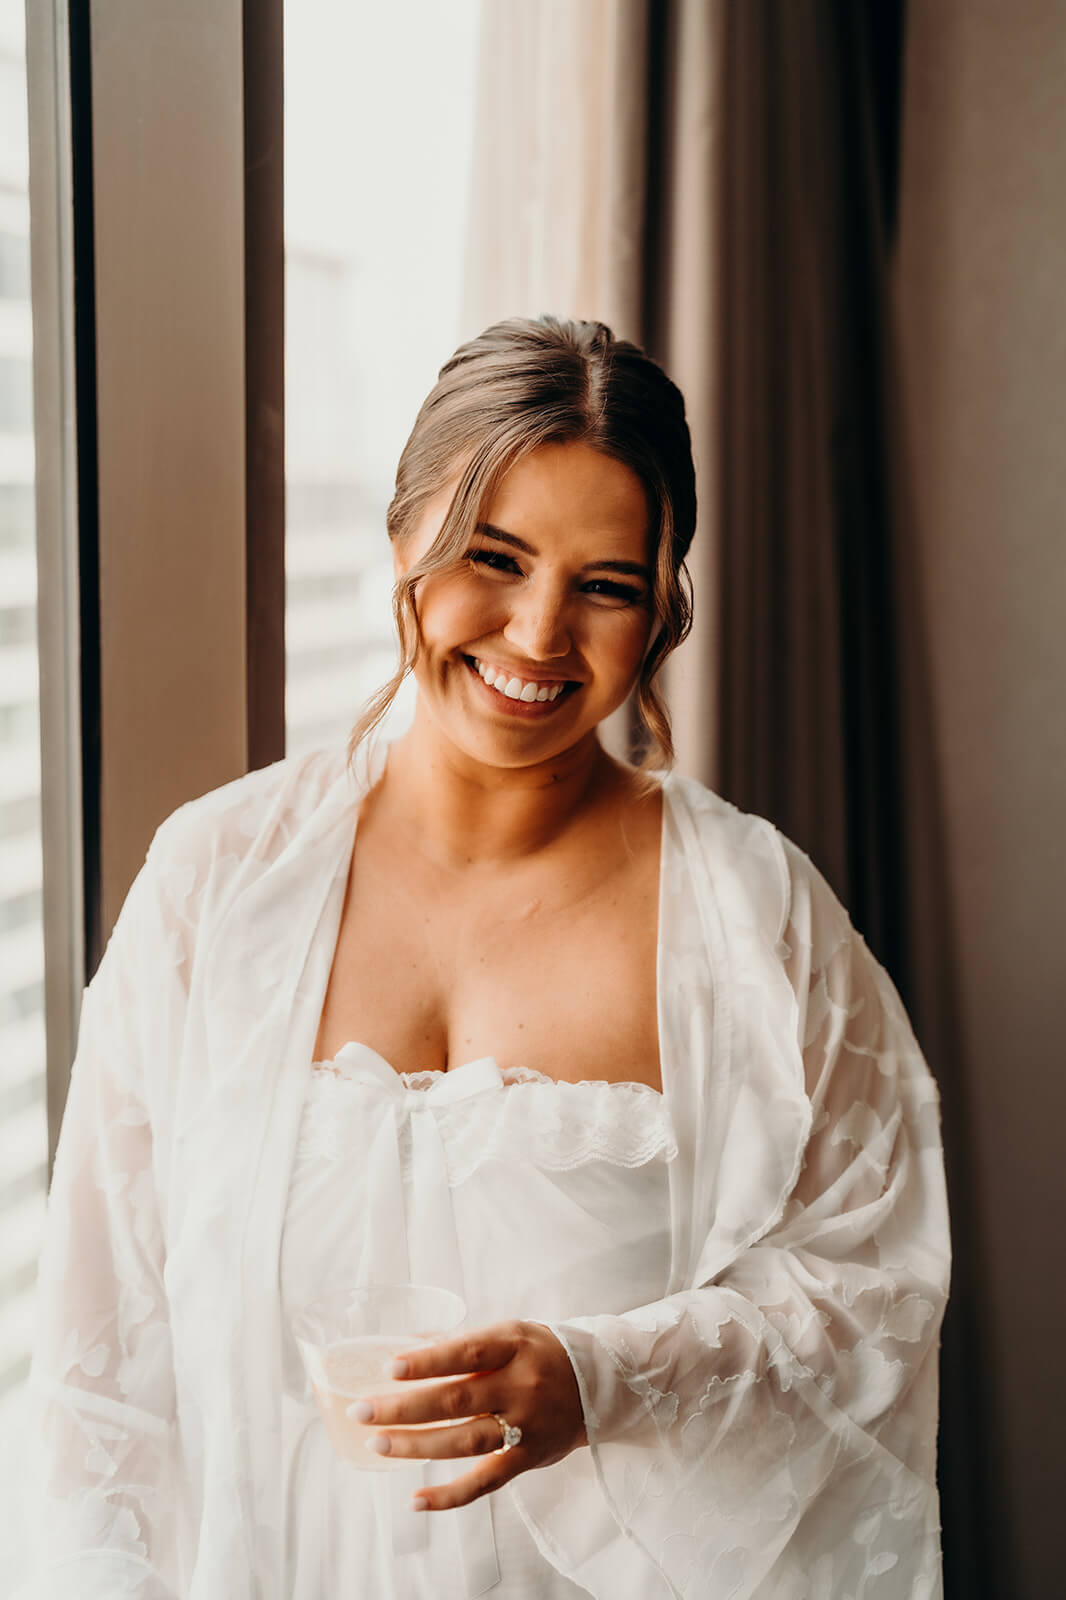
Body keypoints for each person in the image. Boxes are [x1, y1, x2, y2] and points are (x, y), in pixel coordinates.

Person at [18, 317, 950, 1600]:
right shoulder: (215, 881)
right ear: (402, 536)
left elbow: (871, 1296)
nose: (536, 633)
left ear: (662, 609)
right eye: (490, 558)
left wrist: (599, 1377)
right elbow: (96, 1371)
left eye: (606, 585)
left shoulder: (754, 916)